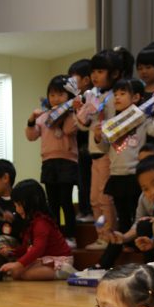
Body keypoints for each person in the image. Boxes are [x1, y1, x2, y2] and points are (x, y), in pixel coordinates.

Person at [97, 78, 154, 262]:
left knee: (135, 211)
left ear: (135, 97)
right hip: (116, 174)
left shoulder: (142, 118)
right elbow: (104, 148)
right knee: (122, 214)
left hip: (134, 175)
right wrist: (98, 138)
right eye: (115, 94)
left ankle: (140, 244)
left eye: (122, 94)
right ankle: (125, 243)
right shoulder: (112, 123)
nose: (117, 98)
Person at [75, 50, 123, 249]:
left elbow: (116, 126)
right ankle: (101, 235)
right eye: (93, 71)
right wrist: (80, 111)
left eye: (100, 71)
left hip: (107, 154)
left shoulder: (115, 97)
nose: (95, 76)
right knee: (94, 199)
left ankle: (109, 236)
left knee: (105, 198)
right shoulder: (93, 95)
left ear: (115, 73)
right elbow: (82, 125)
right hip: (94, 153)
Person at [26, 75, 78, 243]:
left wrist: (67, 113)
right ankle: (55, 237)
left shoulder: (72, 114)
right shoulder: (44, 116)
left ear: (69, 96)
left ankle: (70, 236)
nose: (56, 98)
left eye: (60, 95)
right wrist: (31, 121)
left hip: (67, 161)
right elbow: (32, 136)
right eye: (52, 95)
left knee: (65, 201)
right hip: (49, 162)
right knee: (53, 203)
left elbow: (69, 130)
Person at [0, 180, 74, 281]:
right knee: (16, 273)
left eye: (19, 205)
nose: (17, 210)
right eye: (16, 205)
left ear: (31, 203)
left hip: (60, 260)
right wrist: (11, 252)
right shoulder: (31, 221)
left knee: (26, 274)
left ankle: (65, 272)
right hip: (45, 259)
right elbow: (26, 247)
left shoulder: (41, 223)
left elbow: (38, 248)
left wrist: (18, 264)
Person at [67, 58, 96, 222]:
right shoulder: (74, 99)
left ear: (86, 80)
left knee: (90, 180)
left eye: (73, 79)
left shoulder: (92, 97)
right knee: (81, 181)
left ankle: (91, 211)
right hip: (79, 148)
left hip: (91, 145)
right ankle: (84, 210)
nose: (70, 83)